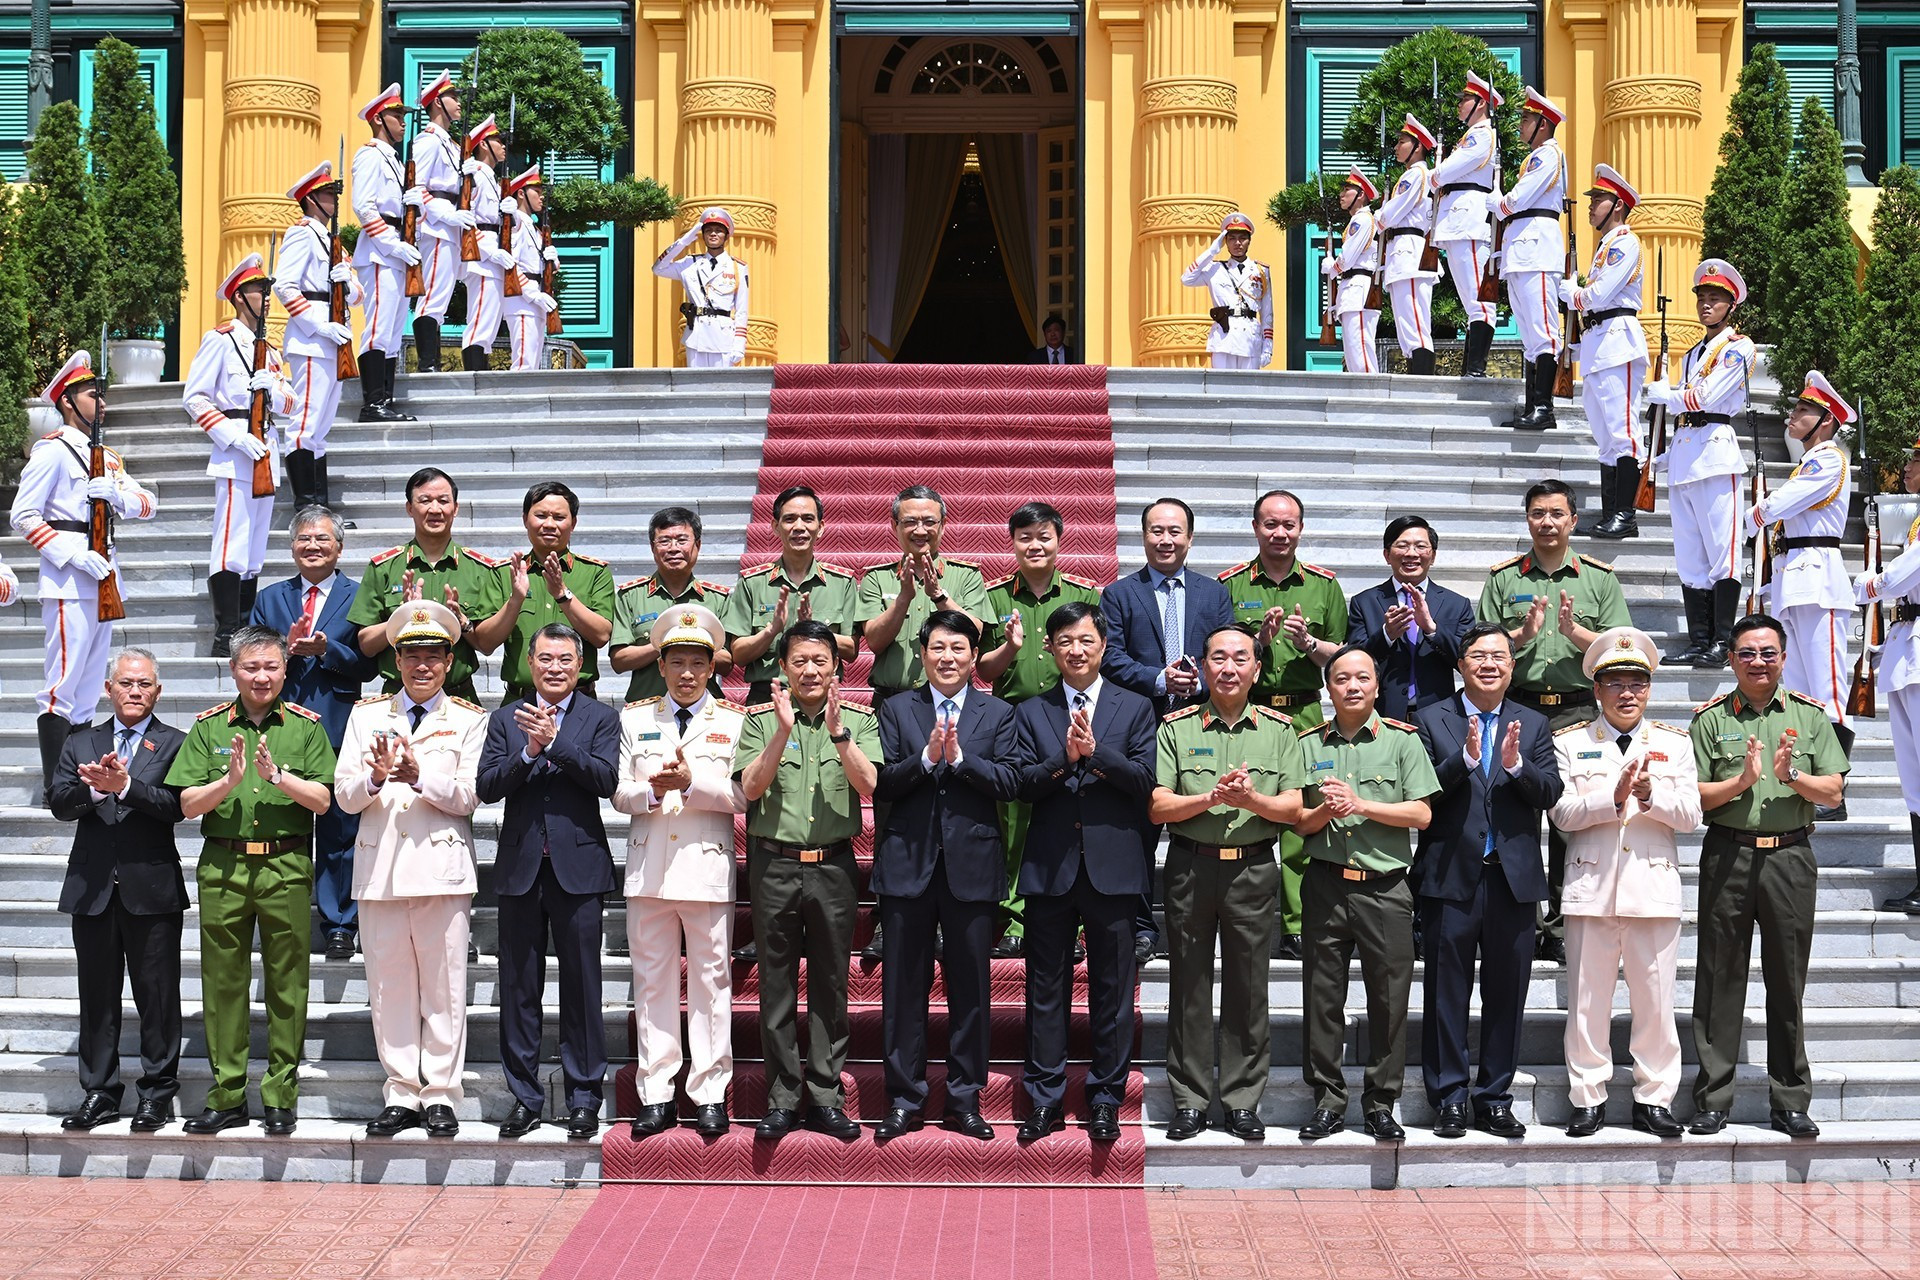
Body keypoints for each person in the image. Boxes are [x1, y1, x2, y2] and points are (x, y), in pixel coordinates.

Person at [168, 626, 337, 1136]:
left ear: (285, 670)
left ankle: (281, 1093)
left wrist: (279, 779)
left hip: (285, 865)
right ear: (233, 670)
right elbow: (185, 806)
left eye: (270, 667)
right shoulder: (210, 727)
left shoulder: (306, 727)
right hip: (224, 865)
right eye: (251, 667)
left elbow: (325, 801)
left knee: (288, 982)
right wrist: (229, 782)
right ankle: (227, 1094)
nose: (261, 677)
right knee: (223, 983)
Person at [1687, 614, 1848, 1138]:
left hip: (1790, 858)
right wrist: (1743, 780)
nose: (1759, 662)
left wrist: (1790, 775)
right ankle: (1713, 1097)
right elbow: (1694, 797)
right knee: (1718, 978)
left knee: (1787, 979)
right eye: (1748, 653)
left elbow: (1833, 792)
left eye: (1768, 653)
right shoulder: (1710, 720)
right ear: (1731, 659)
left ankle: (1790, 1100)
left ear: (1783, 658)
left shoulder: (1810, 716)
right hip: (1727, 854)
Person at [334, 600, 486, 1139]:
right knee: (390, 989)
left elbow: (470, 796)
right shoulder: (366, 715)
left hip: (441, 869)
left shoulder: (469, 719)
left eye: (433, 656)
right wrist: (374, 779)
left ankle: (441, 1093)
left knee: (444, 989)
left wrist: (422, 777)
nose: (422, 666)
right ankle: (401, 1092)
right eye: (411, 655)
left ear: (449, 662)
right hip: (381, 872)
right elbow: (344, 798)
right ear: (395, 661)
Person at [1152, 624, 1307, 1142]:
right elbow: (1158, 805)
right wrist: (1211, 799)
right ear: (1203, 665)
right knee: (1188, 986)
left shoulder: (1280, 730)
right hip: (1190, 867)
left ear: (1257, 669)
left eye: (1241, 658)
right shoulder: (1177, 726)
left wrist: (1251, 802)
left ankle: (1242, 1100)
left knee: (1248, 986)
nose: (1229, 668)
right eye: (1218, 657)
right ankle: (1190, 1100)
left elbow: (1292, 807)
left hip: (1253, 868)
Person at [1011, 602, 1157, 1142]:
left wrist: (1096, 756)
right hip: (1050, 867)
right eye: (1065, 640)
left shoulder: (1136, 707)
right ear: (1049, 648)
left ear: (1103, 647)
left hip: (1114, 868)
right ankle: (1045, 1097)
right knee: (1044, 989)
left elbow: (1145, 781)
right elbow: (1021, 784)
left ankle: (1104, 1097)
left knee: (1112, 990)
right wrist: (1062, 760)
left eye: (1086, 640)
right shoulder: (1030, 711)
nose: (1076, 649)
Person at [1413, 622, 1564, 1140]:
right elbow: (1421, 793)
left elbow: (1550, 793)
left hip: (1512, 881)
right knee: (1444, 994)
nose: (1489, 664)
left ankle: (1494, 1097)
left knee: (1507, 994)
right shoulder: (1431, 718)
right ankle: (1450, 1098)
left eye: (1499, 655)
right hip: (1450, 876)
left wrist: (1516, 766)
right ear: (1461, 664)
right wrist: (1467, 760)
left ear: (1513, 665)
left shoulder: (1534, 724)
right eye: (1478, 655)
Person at [872, 612, 1019, 1142]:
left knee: (971, 991)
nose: (948, 657)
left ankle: (964, 1098)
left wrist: (959, 760)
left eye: (959, 647)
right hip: (907, 864)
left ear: (975, 656)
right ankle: (904, 1098)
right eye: (938, 647)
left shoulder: (998, 713)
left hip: (971, 868)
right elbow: (881, 782)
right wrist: (926, 757)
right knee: (902, 991)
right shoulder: (894, 709)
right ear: (923, 652)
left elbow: (1009, 781)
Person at [734, 620, 882, 1141]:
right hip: (774, 864)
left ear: (837, 667)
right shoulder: (757, 721)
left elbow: (870, 785)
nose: (810, 670)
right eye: (799, 661)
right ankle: (781, 1096)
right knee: (775, 986)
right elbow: (750, 791)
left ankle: (824, 1094)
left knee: (830, 984)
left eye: (820, 660)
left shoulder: (859, 720)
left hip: (834, 867)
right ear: (783, 668)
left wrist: (840, 734)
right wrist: (780, 732)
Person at [1550, 627, 1698, 1139]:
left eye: (1638, 682)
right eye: (1616, 682)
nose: (1627, 692)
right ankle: (1588, 1096)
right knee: (1587, 1002)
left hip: (1652, 892)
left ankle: (1653, 1099)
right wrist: (1610, 801)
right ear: (1597, 690)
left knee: (1656, 1004)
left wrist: (1652, 794)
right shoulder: (1570, 743)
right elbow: (1562, 814)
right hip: (1592, 889)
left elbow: (1691, 816)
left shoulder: (1674, 744)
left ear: (1650, 689)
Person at [476, 624, 620, 1140]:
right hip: (519, 870)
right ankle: (525, 1096)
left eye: (564, 659)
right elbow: (487, 788)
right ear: (530, 663)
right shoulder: (504, 719)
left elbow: (606, 780)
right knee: (519, 988)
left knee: (583, 985)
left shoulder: (600, 717)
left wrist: (556, 744)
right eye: (544, 658)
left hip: (578, 869)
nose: (554, 667)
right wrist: (528, 754)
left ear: (579, 665)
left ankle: (585, 1096)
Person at [1479, 479, 1633, 963]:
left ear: (1574, 521)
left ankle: (1562, 926)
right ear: (1527, 519)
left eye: (1556, 514)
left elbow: (1622, 650)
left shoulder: (1599, 578)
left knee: (1572, 819)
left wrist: (1574, 632)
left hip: (1576, 710)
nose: (1546, 522)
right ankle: (1522, 916)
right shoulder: (1504, 578)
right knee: (1516, 814)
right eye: (1537, 513)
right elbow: (1481, 647)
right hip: (1518, 707)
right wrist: (1521, 634)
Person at [612, 605, 747, 1141]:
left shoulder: (735, 722)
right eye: (677, 663)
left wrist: (692, 786)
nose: (687, 673)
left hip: (706, 868)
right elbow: (621, 793)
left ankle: (710, 1091)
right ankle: (657, 1091)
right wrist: (654, 791)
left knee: (713, 984)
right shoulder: (635, 719)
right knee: (652, 985)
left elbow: (743, 794)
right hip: (650, 870)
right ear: (661, 666)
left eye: (698, 663)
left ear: (713, 667)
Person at [1293, 646, 1437, 1142]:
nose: (1352, 687)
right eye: (1341, 679)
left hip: (1386, 888)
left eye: (1362, 678)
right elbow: (1296, 818)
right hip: (1326, 883)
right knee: (1322, 997)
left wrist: (1361, 804)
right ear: (1327, 688)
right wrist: (1324, 815)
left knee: (1390, 999)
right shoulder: (1307, 742)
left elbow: (1421, 814)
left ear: (1377, 686)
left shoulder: (1401, 742)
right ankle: (1328, 1101)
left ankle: (1380, 1102)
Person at [49, 648, 186, 1133]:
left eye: (144, 684)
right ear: (109, 689)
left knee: (158, 997)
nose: (134, 691)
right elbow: (60, 803)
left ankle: (157, 1094)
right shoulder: (81, 742)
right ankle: (100, 1092)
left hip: (152, 887)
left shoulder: (175, 743)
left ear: (157, 692)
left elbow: (176, 806)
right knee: (98, 997)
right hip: (92, 889)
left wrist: (126, 787)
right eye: (126, 683)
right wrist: (97, 789)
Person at [15, 351, 157, 806]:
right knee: (62, 684)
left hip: (105, 578)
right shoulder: (52, 451)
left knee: (91, 681)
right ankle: (55, 786)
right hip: (68, 578)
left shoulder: (108, 457)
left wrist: (117, 494)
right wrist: (74, 555)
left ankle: (75, 781)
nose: (102, 401)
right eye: (94, 394)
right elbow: (23, 515)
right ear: (68, 401)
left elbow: (148, 504)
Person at [1102, 497, 1233, 960]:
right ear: (1144, 536)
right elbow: (1110, 656)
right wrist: (1158, 678)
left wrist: (1200, 677)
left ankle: (1194, 918)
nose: (1166, 540)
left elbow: (1227, 648)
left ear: (1190, 538)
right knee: (1139, 830)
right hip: (1142, 727)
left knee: (1199, 820)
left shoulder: (1213, 593)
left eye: (1175, 531)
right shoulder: (1119, 594)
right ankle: (1141, 927)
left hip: (1199, 725)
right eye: (1157, 531)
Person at [1219, 489, 1347, 960]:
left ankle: (1296, 925)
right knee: (1241, 808)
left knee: (1299, 817)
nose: (1280, 533)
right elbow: (1219, 648)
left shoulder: (1323, 585)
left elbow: (1344, 654)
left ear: (1301, 529)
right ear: (1256, 527)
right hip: (1247, 712)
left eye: (1288, 524)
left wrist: (1309, 642)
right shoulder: (1230, 584)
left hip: (1302, 712)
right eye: (1270, 524)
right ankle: (1236, 916)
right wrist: (1259, 641)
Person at [250, 506, 381, 962]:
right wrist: (282, 650)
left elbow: (371, 664)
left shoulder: (359, 594)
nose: (313, 546)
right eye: (304, 538)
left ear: (339, 547)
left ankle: (340, 923)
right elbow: (251, 659)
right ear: (292, 546)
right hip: (281, 726)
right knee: (282, 822)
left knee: (339, 829)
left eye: (323, 539)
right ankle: (279, 917)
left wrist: (330, 650)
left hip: (337, 723)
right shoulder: (270, 597)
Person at [978, 501, 1103, 957]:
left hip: (1067, 714)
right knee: (1012, 818)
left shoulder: (1085, 594)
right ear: (1011, 543)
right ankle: (1014, 916)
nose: (1035, 545)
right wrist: (1010, 649)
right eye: (1025, 537)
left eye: (1044, 536)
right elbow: (985, 671)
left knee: (1065, 816)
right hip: (1011, 717)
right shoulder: (993, 598)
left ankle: (1073, 923)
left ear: (1059, 540)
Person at [1747, 370, 1859, 814]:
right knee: (1797, 693)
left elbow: (1786, 502)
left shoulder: (1828, 459)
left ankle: (1835, 793)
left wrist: (1759, 510)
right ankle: (1804, 782)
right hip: (1794, 577)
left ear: (1826, 421)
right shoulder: (1808, 462)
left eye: (1802, 411)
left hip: (1820, 580)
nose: (1792, 416)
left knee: (1828, 689)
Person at [182, 255, 295, 657]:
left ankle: (243, 626)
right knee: (230, 543)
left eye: (267, 291)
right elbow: (193, 398)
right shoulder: (221, 340)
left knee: (254, 550)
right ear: (238, 296)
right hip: (235, 454)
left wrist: (274, 389)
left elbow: (291, 403)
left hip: (265, 451)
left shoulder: (270, 350)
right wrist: (231, 436)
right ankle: (225, 633)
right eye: (258, 291)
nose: (266, 298)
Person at [1644, 259, 1755, 668]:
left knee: (1721, 555)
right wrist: (1664, 457)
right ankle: (1699, 640)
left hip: (1716, 454)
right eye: (1702, 299)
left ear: (1731, 305)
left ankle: (1722, 643)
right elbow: (1685, 413)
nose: (1706, 305)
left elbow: (1705, 398)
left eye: (1716, 299)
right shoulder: (1692, 354)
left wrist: (1666, 394)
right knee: (1690, 556)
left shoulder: (1738, 348)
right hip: (1688, 456)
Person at [347, 467, 502, 704]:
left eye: (443, 501)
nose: (435, 509)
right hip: (396, 699)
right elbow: (366, 644)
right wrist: (402, 616)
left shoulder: (479, 569)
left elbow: (488, 645)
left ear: (456, 508)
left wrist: (463, 623)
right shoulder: (384, 567)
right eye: (425, 500)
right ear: (410, 508)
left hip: (458, 698)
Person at [1562, 164, 1650, 540]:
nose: (1591, 205)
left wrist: (1572, 294)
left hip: (1619, 341)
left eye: (1598, 199)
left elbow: (1598, 295)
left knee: (1623, 430)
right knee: (1603, 433)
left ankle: (1626, 513)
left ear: (1618, 206)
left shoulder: (1625, 242)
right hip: (1600, 341)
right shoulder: (1604, 247)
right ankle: (1611, 510)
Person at [471, 481, 615, 706]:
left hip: (580, 701)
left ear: (573, 523)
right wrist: (515, 600)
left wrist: (562, 594)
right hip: (519, 702)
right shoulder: (503, 574)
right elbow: (486, 643)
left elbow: (601, 636)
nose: (549, 524)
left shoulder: (594, 572)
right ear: (525, 519)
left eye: (559, 517)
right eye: (541, 516)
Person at [721, 485, 859, 707]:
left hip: (821, 698)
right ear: (776, 527)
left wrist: (814, 628)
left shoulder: (841, 582)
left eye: (807, 519)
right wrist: (771, 631)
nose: (799, 527)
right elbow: (738, 654)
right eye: (790, 519)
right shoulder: (752, 583)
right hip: (766, 697)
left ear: (821, 527)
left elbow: (852, 650)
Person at [273, 160, 358, 511]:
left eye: (333, 193)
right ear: (310, 199)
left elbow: (359, 295)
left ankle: (320, 507)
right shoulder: (302, 234)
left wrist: (346, 282)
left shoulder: (331, 241)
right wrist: (317, 325)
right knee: (304, 424)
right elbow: (284, 285)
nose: (333, 200)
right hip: (311, 340)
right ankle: (305, 504)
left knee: (320, 428)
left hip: (335, 338)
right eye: (326, 194)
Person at [856, 485, 990, 706]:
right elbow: (875, 642)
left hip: (951, 702)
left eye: (929, 522)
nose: (920, 531)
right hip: (891, 701)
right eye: (910, 522)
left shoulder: (967, 576)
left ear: (943, 526)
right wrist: (903, 599)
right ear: (894, 526)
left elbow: (974, 632)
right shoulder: (876, 578)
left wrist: (939, 597)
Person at [1346, 515, 1477, 722]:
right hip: (1381, 715)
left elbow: (1468, 660)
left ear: (1432, 556)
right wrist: (1386, 635)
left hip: (1438, 716)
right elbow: (1352, 661)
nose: (1411, 554)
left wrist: (1432, 629)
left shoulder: (1457, 604)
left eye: (1420, 546)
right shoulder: (1364, 602)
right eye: (1402, 546)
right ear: (1387, 555)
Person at [1863, 437, 1920, 912]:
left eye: (1916, 460)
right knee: (1912, 779)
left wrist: (1865, 584)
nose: (1907, 467)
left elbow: (1903, 576)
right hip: (1907, 651)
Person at [1496, 88, 1568, 431]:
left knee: (1544, 332)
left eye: (1526, 119)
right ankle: (1531, 406)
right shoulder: (1534, 158)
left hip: (1537, 252)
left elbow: (1519, 198)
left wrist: (1497, 203)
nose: (1521, 125)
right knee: (1529, 333)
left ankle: (1544, 407)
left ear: (1543, 124)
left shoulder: (1547, 156)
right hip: (1522, 251)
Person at [610, 506, 734, 705]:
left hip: (705, 712)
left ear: (698, 545)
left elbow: (726, 663)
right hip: (646, 707)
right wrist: (664, 641)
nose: (673, 548)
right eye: (664, 541)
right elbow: (619, 660)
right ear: (653, 548)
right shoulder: (630, 596)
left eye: (682, 540)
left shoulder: (717, 598)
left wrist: (687, 641)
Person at [348, 81, 419, 423]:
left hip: (398, 249)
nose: (403, 122)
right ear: (379, 119)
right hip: (380, 251)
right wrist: (392, 245)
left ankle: (385, 401)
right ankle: (371, 403)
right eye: (396, 115)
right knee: (377, 328)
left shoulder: (393, 159)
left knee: (391, 331)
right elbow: (363, 206)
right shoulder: (369, 155)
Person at [1431, 71, 1502, 379]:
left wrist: (1437, 174)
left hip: (1469, 222)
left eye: (1465, 100)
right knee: (1471, 300)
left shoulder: (1482, 134)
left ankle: (1476, 368)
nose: (1460, 105)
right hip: (1460, 223)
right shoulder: (1470, 136)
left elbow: (1447, 172)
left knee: (1478, 300)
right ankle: (1471, 367)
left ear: (1481, 104)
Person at [407, 70, 469, 374]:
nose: (458, 103)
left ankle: (432, 361)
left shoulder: (451, 144)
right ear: (437, 103)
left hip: (451, 226)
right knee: (432, 294)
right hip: (435, 225)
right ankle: (427, 363)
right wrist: (446, 215)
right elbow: (415, 188)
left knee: (441, 295)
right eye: (452, 97)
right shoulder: (428, 142)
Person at [1378, 114, 1439, 375]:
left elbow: (1389, 215)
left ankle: (1423, 383)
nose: (1396, 147)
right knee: (1408, 324)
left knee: (1414, 322)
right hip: (1403, 253)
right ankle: (1417, 376)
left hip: (1410, 253)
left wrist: (1378, 217)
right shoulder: (1415, 175)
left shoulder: (1415, 175)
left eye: (1402, 141)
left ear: (1418, 146)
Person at [653, 207, 750, 368]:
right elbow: (658, 268)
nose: (713, 234)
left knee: (723, 389)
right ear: (702, 234)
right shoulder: (690, 264)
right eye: (708, 230)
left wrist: (739, 342)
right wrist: (685, 240)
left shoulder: (737, 267)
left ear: (726, 236)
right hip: (696, 334)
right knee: (695, 387)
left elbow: (742, 309)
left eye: (718, 230)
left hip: (724, 337)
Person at [1181, 212, 1274, 370]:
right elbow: (1186, 279)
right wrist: (1211, 251)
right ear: (1225, 242)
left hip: (1250, 338)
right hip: (1224, 338)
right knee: (1220, 389)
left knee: (1248, 391)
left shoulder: (1260, 271)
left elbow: (1267, 313)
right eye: (1231, 238)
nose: (1237, 243)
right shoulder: (1214, 269)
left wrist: (1268, 347)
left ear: (1249, 241)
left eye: (1242, 238)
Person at [457, 114, 510, 373]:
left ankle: (481, 371)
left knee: (490, 318)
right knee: (479, 319)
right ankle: (472, 376)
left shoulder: (491, 178)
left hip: (493, 252)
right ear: (483, 145)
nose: (503, 146)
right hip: (483, 256)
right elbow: (468, 220)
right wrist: (490, 252)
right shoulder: (476, 174)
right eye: (498, 140)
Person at [1320, 167, 1382, 374]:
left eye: (1347, 189)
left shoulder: (1363, 219)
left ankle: (1371, 401)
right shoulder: (1356, 221)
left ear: (1361, 194)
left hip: (1359, 290)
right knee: (1353, 352)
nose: (1341, 194)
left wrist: (1332, 266)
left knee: (1360, 350)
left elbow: (1346, 259)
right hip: (1352, 290)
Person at [499, 164, 560, 371]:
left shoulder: (534, 228)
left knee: (532, 364)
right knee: (523, 364)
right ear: (522, 194)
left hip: (535, 300)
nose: (541, 197)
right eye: (537, 192)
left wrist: (552, 260)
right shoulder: (516, 221)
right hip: (522, 300)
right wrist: (533, 295)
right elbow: (511, 263)